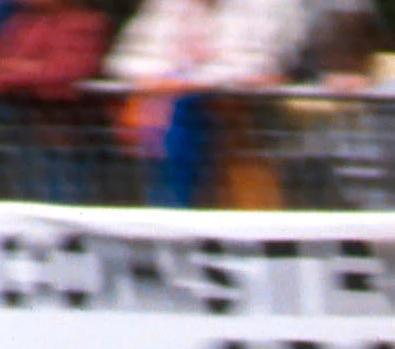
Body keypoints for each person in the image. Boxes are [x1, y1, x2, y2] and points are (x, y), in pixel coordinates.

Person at [103, 0, 313, 205]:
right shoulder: (168, 5)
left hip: (253, 124)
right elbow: (128, 62)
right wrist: (172, 81)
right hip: (175, 122)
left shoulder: (270, 5)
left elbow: (255, 69)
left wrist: (185, 81)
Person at [0, 0, 107, 198]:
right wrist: (29, 70)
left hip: (63, 128)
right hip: (21, 127)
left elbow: (66, 71)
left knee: (63, 191)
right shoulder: (20, 23)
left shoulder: (85, 23)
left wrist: (14, 69)